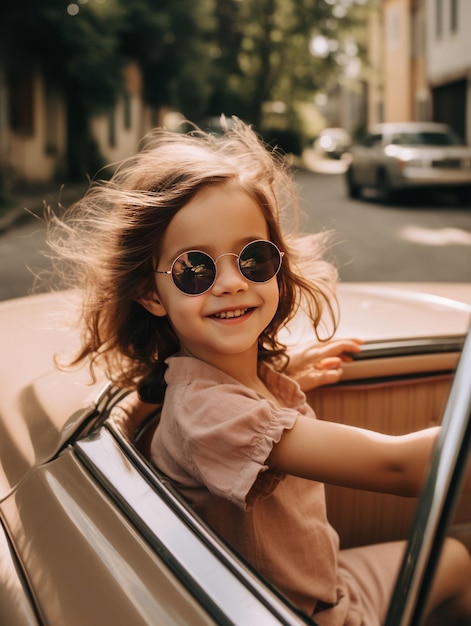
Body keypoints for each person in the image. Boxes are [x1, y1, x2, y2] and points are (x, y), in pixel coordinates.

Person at [48, 118, 471, 625]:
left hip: (326, 585)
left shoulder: (224, 385)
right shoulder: (214, 416)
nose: (230, 282)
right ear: (149, 294)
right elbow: (403, 468)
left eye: (253, 258)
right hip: (300, 613)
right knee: (461, 558)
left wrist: (282, 374)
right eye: (195, 269)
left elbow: (238, 406)